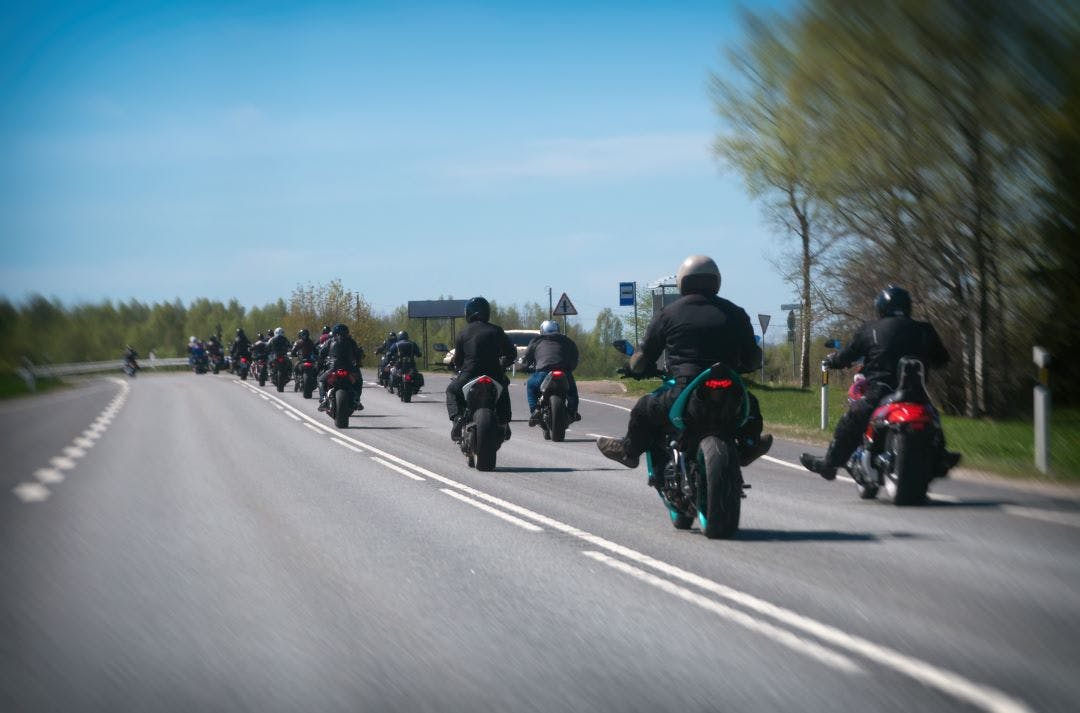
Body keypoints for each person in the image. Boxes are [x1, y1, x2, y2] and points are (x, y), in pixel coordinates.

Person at [595, 255, 773, 480]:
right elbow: (754, 358)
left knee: (643, 409)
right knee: (752, 407)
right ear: (716, 281)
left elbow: (643, 357)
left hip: (685, 390)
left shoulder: (668, 314)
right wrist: (745, 365)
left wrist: (633, 368)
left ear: (682, 282)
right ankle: (749, 446)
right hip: (730, 392)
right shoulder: (736, 313)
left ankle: (629, 452)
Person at [800, 285, 958, 480]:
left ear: (881, 307)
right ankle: (941, 457)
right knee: (932, 417)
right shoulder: (924, 329)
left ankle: (830, 464)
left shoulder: (871, 329)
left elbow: (848, 354)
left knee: (852, 418)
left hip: (882, 390)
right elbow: (942, 359)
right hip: (916, 392)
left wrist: (833, 361)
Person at [445, 297, 516, 442]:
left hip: (469, 374)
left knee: (451, 390)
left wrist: (457, 366)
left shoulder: (463, 333)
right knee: (503, 388)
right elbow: (511, 353)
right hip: (494, 374)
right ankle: (504, 421)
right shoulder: (497, 330)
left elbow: (458, 360)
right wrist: (503, 364)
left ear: (469, 314)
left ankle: (458, 418)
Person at [523, 320, 581, 425]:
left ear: (542, 330)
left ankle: (535, 411)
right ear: (557, 330)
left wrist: (525, 367)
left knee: (531, 386)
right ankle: (573, 411)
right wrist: (570, 368)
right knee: (572, 392)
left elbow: (527, 357)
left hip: (543, 372)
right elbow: (575, 358)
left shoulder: (537, 341)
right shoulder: (567, 341)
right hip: (564, 372)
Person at [317, 323, 365, 411]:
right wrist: (358, 363)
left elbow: (321, 353)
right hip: (349, 369)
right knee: (358, 381)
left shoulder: (330, 341)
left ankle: (323, 399)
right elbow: (358, 354)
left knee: (321, 380)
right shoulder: (351, 342)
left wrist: (320, 364)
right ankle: (357, 400)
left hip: (333, 368)